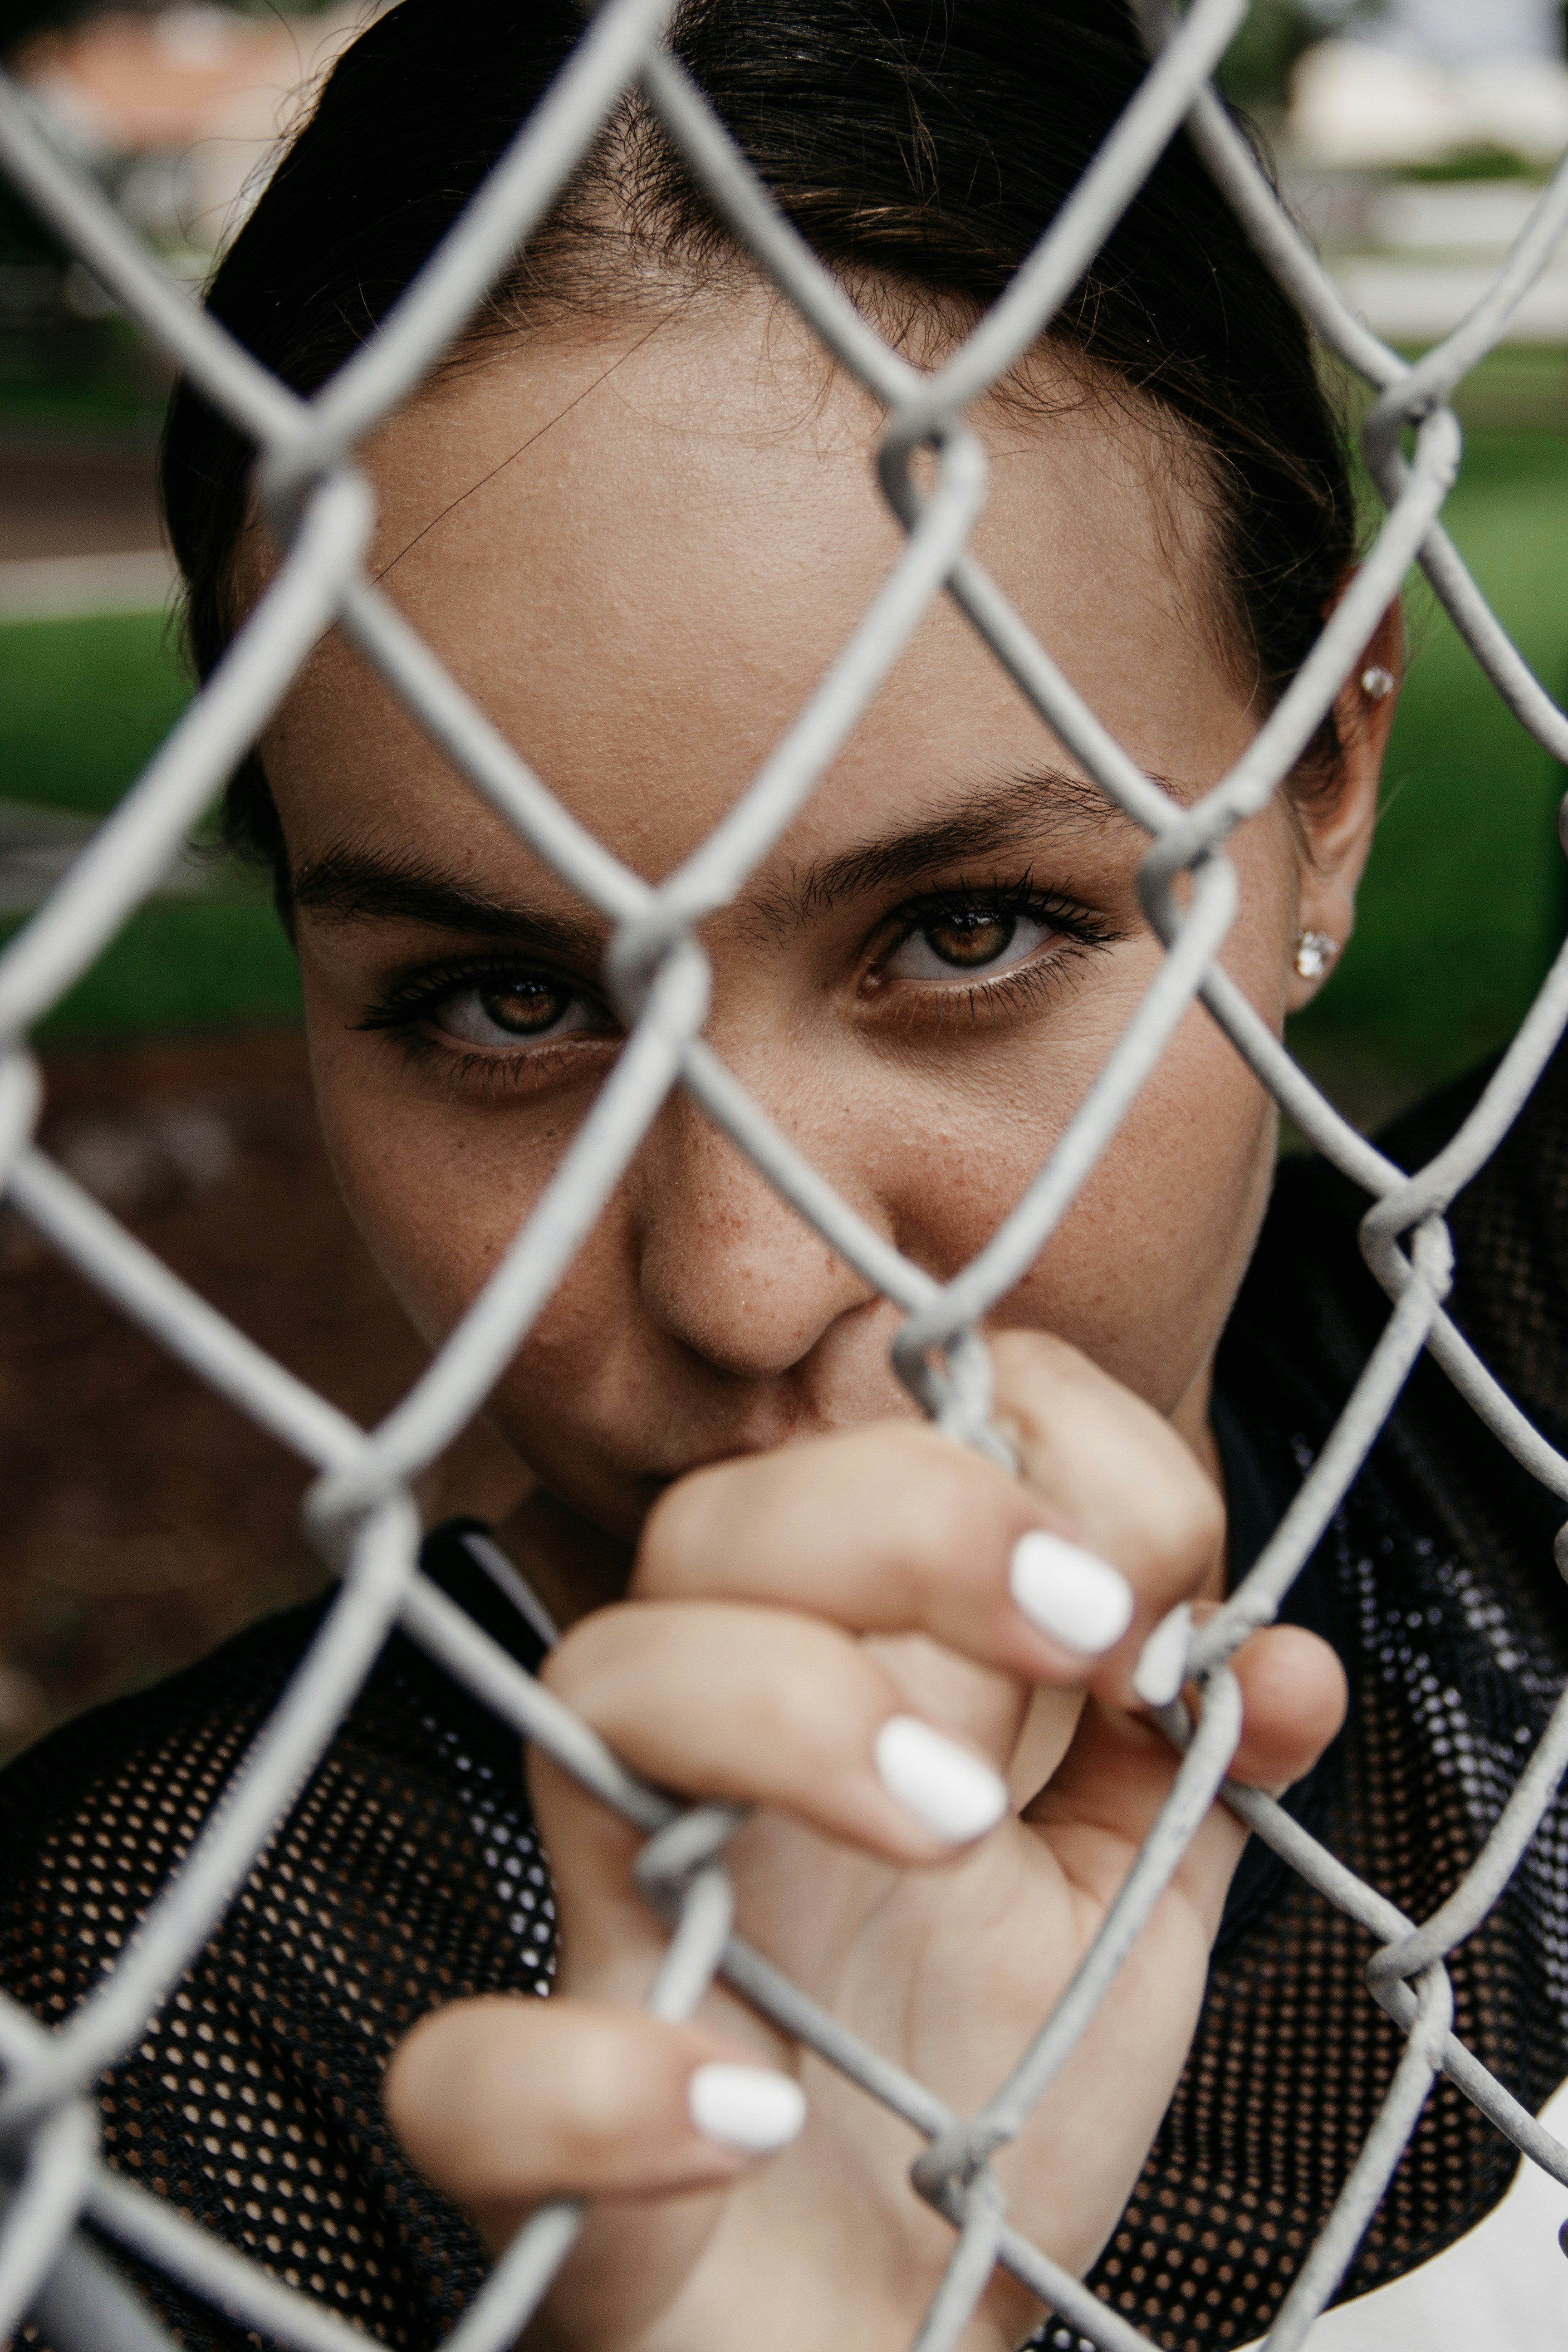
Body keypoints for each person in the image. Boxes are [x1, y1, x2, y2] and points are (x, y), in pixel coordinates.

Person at [5, 2, 1567, 2347]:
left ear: (1318, 787)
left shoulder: (1515, 1410)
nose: (746, 1280)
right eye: (503, 1005)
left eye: (970, 933)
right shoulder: (150, 2039)